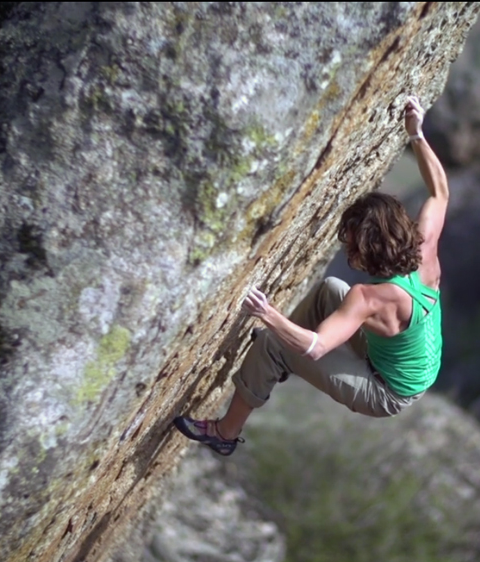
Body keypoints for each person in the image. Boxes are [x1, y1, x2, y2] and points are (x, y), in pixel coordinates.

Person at [173, 95, 448, 456]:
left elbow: (315, 348)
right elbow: (440, 192)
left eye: (353, 246)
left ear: (370, 248)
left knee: (274, 343)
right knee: (328, 290)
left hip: (388, 392)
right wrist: (416, 134)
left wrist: (268, 315)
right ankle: (274, 362)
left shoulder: (367, 298)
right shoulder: (424, 251)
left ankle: (224, 433)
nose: (349, 253)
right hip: (413, 366)